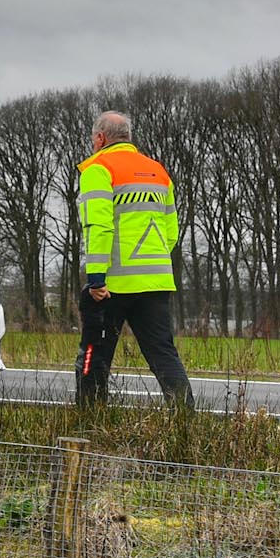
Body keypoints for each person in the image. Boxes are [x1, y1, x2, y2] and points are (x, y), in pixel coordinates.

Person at [74, 110, 192, 408]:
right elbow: (171, 233)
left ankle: (89, 419)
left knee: (94, 354)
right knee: (163, 354)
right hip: (155, 281)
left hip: (111, 285)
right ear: (127, 137)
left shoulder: (98, 169)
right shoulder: (158, 171)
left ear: (100, 138)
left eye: (93, 138)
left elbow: (98, 227)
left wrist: (97, 279)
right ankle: (185, 417)